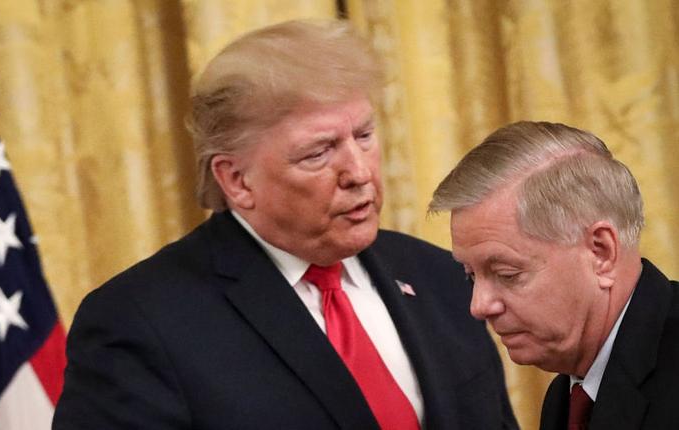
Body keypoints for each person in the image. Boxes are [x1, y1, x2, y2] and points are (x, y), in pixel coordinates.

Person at [53, 19, 516, 430]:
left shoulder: (439, 275)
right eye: (318, 153)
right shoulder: (138, 322)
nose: (359, 171)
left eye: (364, 136)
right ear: (236, 180)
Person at [429, 121, 679, 429]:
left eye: (507, 274)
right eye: (470, 275)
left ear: (601, 252)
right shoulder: (567, 395)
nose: (478, 306)